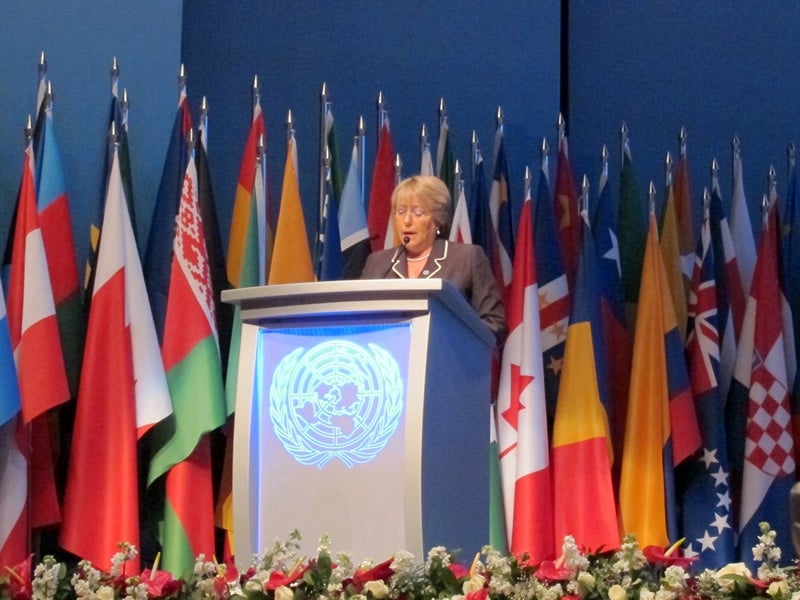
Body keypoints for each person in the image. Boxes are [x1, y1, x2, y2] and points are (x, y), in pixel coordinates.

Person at [362, 175, 507, 346]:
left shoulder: (466, 259)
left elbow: (494, 325)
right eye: (401, 212)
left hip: (450, 365)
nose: (407, 221)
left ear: (438, 219)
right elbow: (362, 318)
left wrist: (449, 340)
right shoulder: (378, 264)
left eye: (418, 213)